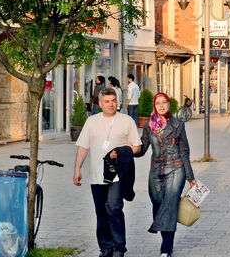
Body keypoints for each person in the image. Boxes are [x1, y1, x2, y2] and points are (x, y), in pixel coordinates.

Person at [74, 87, 142, 257]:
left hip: (117, 174)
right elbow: (83, 146)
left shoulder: (127, 121)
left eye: (113, 101)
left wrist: (121, 151)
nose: (111, 104)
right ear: (99, 103)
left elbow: (137, 147)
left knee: (114, 207)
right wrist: (77, 168)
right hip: (97, 175)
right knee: (101, 211)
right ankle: (106, 247)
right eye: (107, 101)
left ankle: (119, 248)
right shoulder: (91, 121)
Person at [134, 92, 196, 257]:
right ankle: (165, 238)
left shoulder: (177, 124)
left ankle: (166, 247)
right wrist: (128, 150)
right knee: (158, 205)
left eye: (164, 102)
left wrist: (190, 177)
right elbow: (142, 148)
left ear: (169, 104)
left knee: (169, 205)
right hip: (155, 171)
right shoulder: (149, 125)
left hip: (176, 169)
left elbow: (184, 151)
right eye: (158, 103)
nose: (161, 106)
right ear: (154, 106)